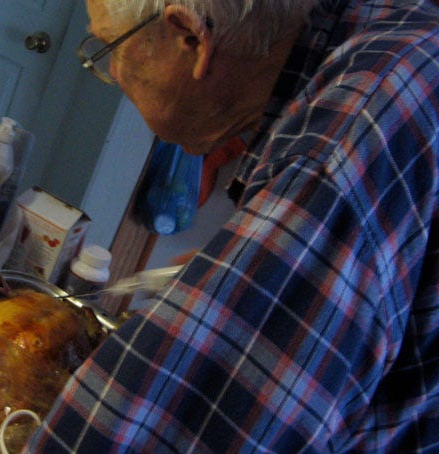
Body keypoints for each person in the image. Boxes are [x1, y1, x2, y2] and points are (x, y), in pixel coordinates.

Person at [26, 0, 439, 451]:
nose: (112, 74)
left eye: (111, 48)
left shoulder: (340, 139)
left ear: (190, 37)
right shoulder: (387, 33)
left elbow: (163, 432)